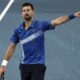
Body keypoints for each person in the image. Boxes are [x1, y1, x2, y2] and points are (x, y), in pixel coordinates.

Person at [0, 2, 80, 80]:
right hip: (24, 66)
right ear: (22, 14)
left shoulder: (41, 25)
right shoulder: (18, 30)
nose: (26, 12)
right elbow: (11, 46)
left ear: (33, 12)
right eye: (24, 11)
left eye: (28, 10)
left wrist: (73, 15)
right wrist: (4, 64)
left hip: (38, 65)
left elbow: (57, 21)